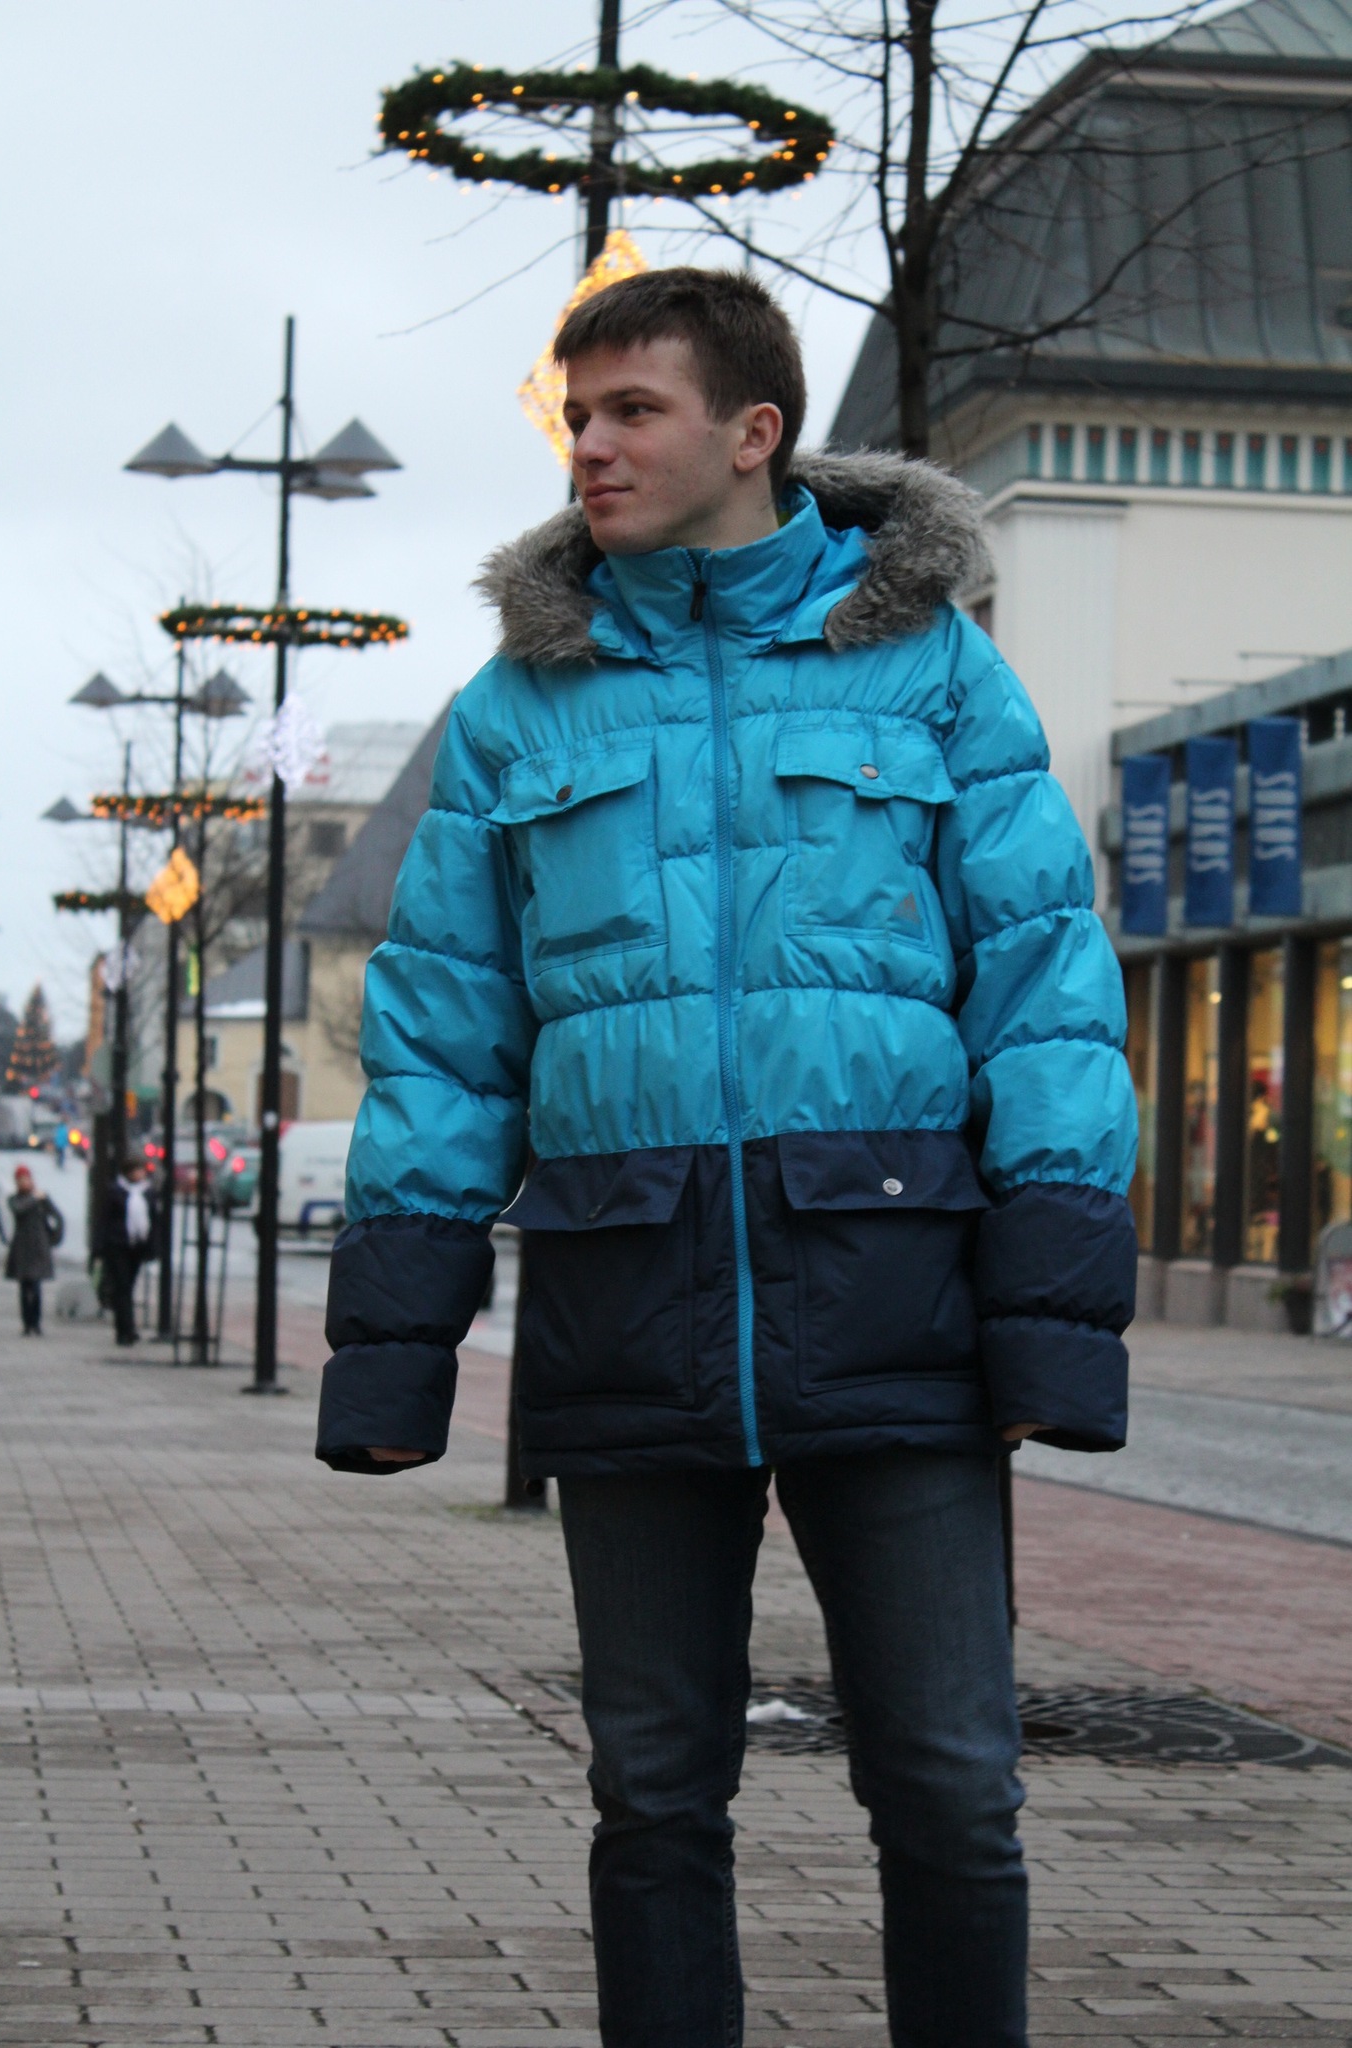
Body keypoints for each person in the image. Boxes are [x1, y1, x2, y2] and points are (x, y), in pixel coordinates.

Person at [316, 269, 1137, 2048]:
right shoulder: (520, 704)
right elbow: (447, 1032)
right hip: (625, 1292)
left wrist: (1053, 1319)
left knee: (950, 1784)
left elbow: (1043, 994)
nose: (589, 447)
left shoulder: (930, 665)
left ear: (753, 432)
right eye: (577, 415)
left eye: (632, 410)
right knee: (653, 1791)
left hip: (896, 1296)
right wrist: (392, 1348)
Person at [102, 1155, 155, 1347]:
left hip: (137, 1246)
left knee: (128, 1287)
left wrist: (151, 1246)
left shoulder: (147, 1192)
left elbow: (153, 1220)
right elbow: (105, 1220)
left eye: (142, 1170)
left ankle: (126, 1328)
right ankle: (126, 1330)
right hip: (118, 1244)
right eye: (137, 1170)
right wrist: (101, 1247)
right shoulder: (115, 1191)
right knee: (122, 1287)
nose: (141, 1174)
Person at [5, 1164, 63, 1335]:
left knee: (36, 1286)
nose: (24, 1183)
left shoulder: (42, 1198)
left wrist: (53, 1238)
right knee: (24, 1287)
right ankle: (27, 1323)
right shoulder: (14, 1199)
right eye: (20, 1180)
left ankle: (36, 1322)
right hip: (22, 1248)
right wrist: (34, 1198)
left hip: (39, 1247)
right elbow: (19, 1210)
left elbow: (58, 1217)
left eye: (26, 1179)